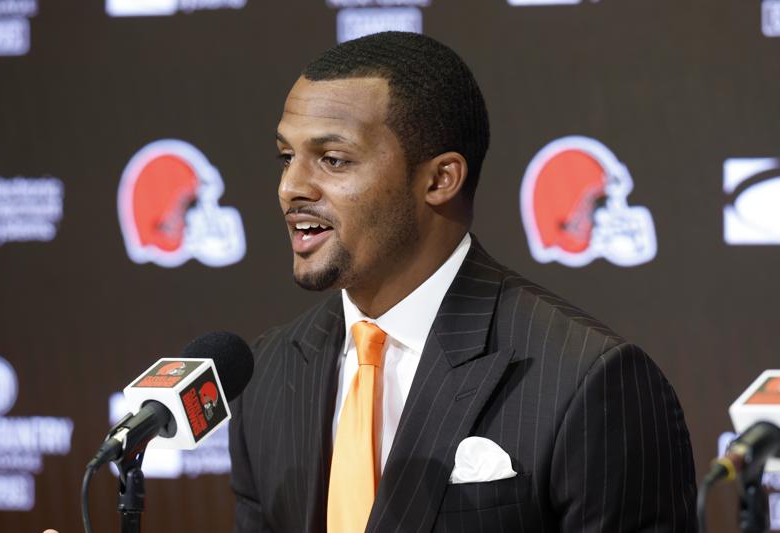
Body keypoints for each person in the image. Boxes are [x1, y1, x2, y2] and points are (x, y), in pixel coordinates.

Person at [228, 31, 697, 533]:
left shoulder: (591, 380)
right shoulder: (267, 373)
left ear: (439, 179)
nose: (290, 188)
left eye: (333, 160)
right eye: (286, 157)